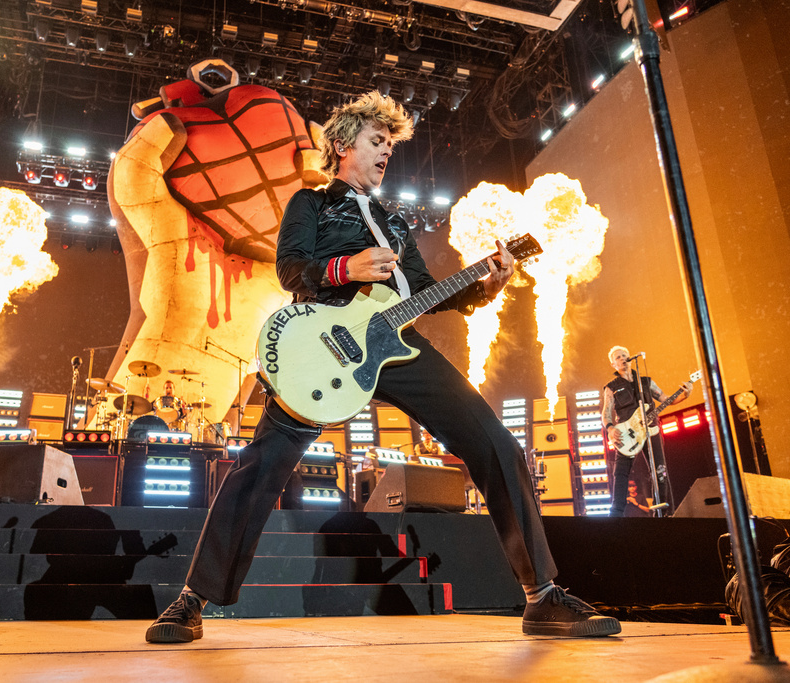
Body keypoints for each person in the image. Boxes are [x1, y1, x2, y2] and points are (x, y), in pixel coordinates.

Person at [145, 91, 621, 643]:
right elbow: (292, 271)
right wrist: (348, 266)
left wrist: (485, 284)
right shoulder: (313, 204)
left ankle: (541, 598)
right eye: (377, 141)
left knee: (497, 445)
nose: (386, 153)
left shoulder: (396, 223)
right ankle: (191, 601)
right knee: (259, 468)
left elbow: (426, 294)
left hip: (399, 347)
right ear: (344, 146)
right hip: (326, 344)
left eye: (390, 146)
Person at [602, 345, 692, 517]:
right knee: (621, 473)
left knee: (660, 470)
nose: (622, 359)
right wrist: (610, 428)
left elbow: (666, 399)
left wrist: (685, 394)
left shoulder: (646, 382)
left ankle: (663, 512)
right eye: (618, 357)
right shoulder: (611, 387)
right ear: (613, 364)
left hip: (651, 430)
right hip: (626, 433)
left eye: (624, 355)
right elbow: (605, 413)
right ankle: (616, 515)